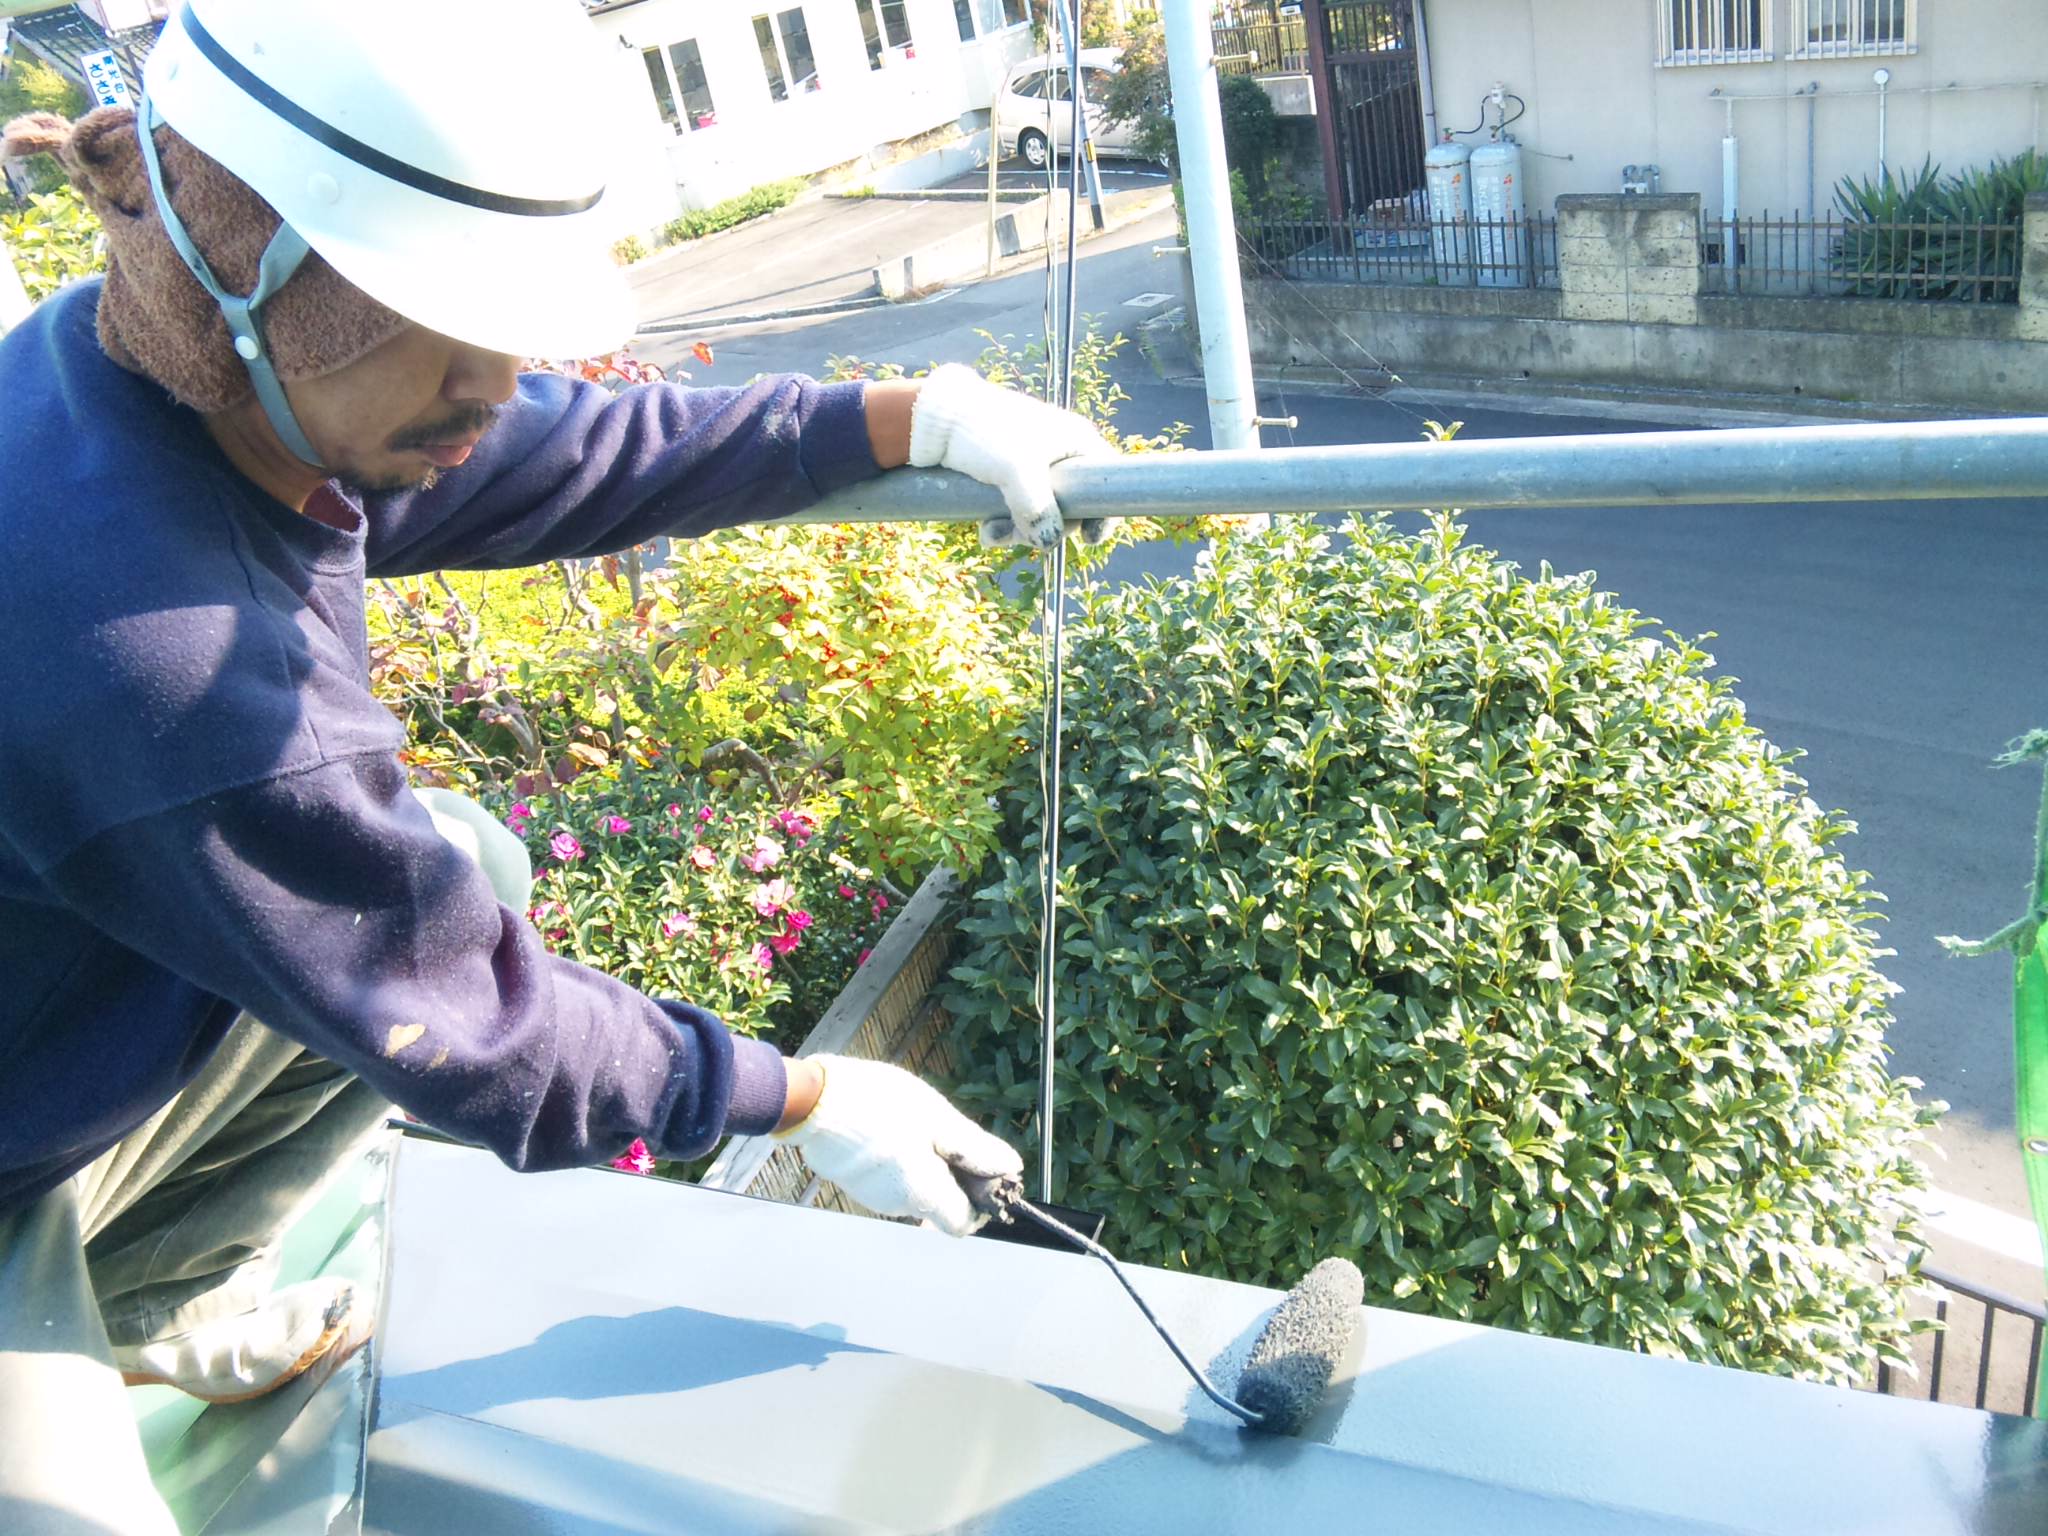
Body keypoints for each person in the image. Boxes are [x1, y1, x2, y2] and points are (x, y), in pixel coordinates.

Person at [0, 4, 1106, 1531]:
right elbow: (474, 1027)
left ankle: (145, 1291)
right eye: (447, 333)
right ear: (264, 275)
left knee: (479, 850)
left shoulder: (143, 374)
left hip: (43, 1048)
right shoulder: (162, 655)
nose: (496, 387)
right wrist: (797, 1091)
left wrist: (899, 415)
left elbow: (563, 451)